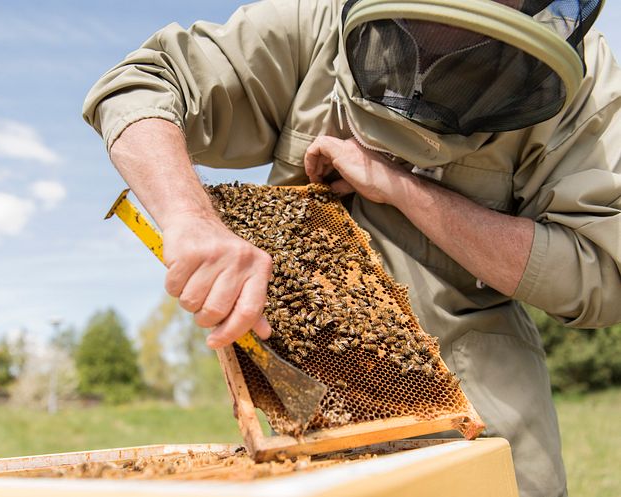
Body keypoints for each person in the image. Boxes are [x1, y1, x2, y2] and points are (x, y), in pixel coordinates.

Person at [82, 1, 618, 496]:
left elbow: (604, 274)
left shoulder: (587, 84)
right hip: (321, 437)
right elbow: (140, 82)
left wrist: (402, 188)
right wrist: (191, 220)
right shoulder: (313, 20)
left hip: (490, 432)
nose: (433, 63)